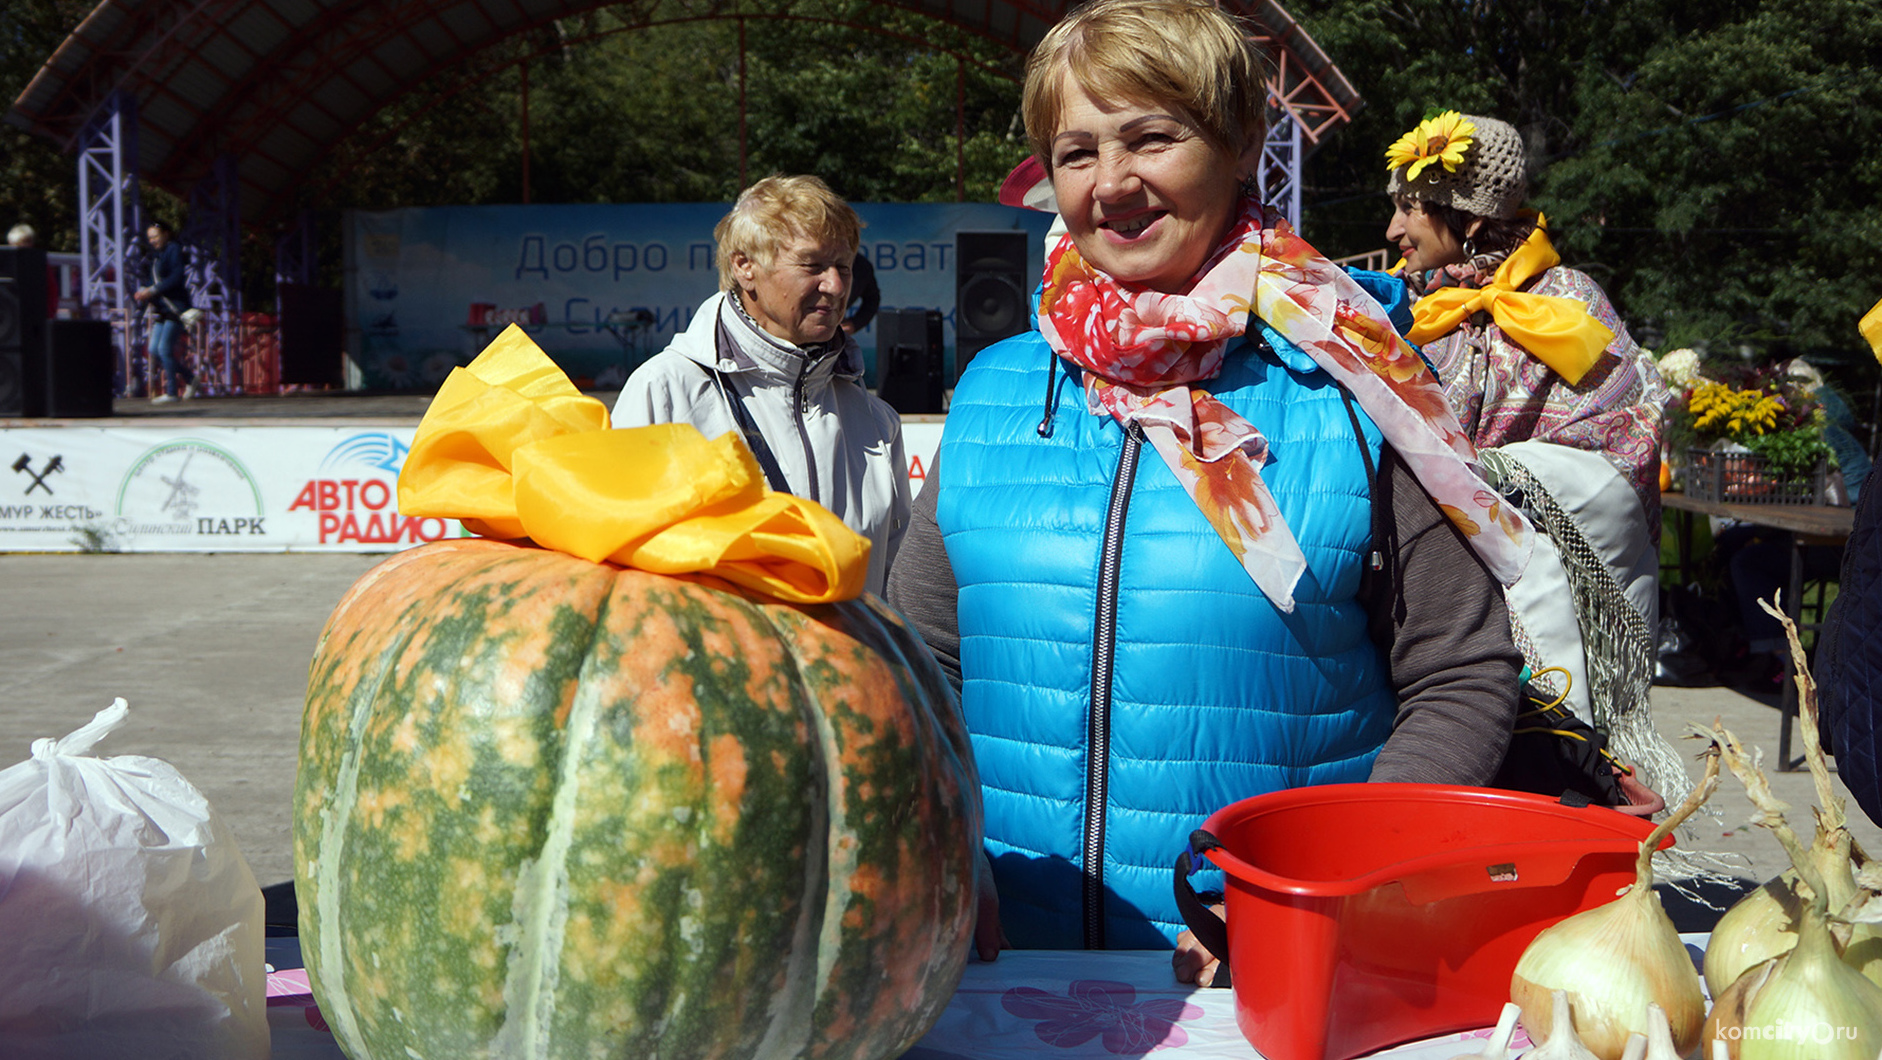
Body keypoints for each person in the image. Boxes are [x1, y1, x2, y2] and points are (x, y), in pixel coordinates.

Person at [885, 0, 1530, 979]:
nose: (1111, 184)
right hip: (1005, 971)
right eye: (1075, 152)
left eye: (1152, 138)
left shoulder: (1356, 389)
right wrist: (935, 852)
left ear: (1236, 149)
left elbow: (1459, 675)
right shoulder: (993, 390)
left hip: (1266, 979)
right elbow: (917, 665)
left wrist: (1324, 892)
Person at [1384, 113, 1679, 808]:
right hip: (1436, 612)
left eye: (1408, 208)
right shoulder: (1406, 309)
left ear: (1471, 218)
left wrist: (1497, 476)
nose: (1393, 231)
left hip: (1543, 614)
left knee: (1545, 796)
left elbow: (1630, 434)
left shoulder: (1570, 303)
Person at [613, 175, 909, 595]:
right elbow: (621, 579)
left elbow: (895, 592)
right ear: (744, 266)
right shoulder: (664, 394)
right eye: (812, 266)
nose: (837, 286)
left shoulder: (878, 423)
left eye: (843, 267)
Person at [134, 220, 196, 403]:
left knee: (164, 348)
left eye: (155, 236)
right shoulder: (156, 256)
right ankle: (190, 378)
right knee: (154, 348)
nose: (152, 240)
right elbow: (154, 280)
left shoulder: (173, 249)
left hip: (175, 307)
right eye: (150, 238)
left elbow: (176, 277)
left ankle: (171, 392)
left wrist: (152, 290)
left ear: (166, 234)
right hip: (163, 308)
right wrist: (145, 291)